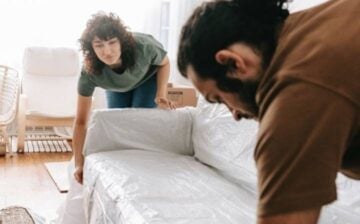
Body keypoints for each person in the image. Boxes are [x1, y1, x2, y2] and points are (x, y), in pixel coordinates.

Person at [177, 0, 359, 223]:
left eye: (219, 99)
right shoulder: (325, 20)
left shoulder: (294, 102)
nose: (233, 114)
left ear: (234, 63)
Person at [73, 12, 175, 185]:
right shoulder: (89, 73)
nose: (107, 51)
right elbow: (81, 122)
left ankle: (142, 173)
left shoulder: (144, 46)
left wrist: (161, 93)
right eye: (99, 45)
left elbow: (164, 62)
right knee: (119, 126)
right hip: (117, 87)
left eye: (112, 42)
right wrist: (78, 164)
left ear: (122, 41)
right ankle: (123, 173)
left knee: (137, 121)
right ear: (91, 49)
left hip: (147, 79)